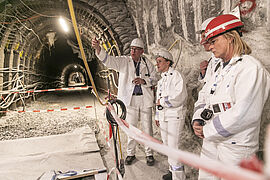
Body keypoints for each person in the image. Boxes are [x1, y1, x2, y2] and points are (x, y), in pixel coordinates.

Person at [191, 14, 270, 180]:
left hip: (236, 147)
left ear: (230, 38)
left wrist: (207, 130)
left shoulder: (250, 69)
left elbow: (244, 113)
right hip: (211, 141)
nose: (209, 46)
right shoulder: (219, 68)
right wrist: (198, 119)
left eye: (213, 41)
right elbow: (205, 95)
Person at [92, 37, 157, 166]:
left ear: (142, 51)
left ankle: (149, 153)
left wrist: (144, 81)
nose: (133, 51)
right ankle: (130, 153)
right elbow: (109, 61)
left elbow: (155, 78)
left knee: (147, 128)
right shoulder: (124, 61)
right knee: (131, 127)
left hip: (145, 99)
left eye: (136, 49)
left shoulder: (147, 64)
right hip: (130, 100)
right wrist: (99, 49)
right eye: (132, 49)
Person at [155, 49, 187, 180]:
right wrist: (157, 116)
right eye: (157, 62)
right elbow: (157, 100)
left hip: (175, 116)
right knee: (167, 145)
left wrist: (162, 101)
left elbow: (180, 97)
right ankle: (172, 171)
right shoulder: (161, 80)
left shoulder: (176, 76)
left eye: (160, 62)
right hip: (164, 116)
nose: (157, 64)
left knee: (174, 147)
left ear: (168, 62)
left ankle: (179, 177)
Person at [197, 17, 220, 84]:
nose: (201, 42)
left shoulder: (239, 63)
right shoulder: (212, 60)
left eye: (204, 36)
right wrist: (203, 73)